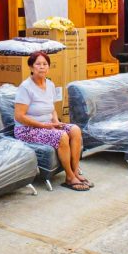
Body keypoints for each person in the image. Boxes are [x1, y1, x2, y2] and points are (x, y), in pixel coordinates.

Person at [13, 51, 92, 192]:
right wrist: (44, 126)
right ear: (31, 67)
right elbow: (19, 116)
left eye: (45, 64)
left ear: (48, 67)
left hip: (48, 125)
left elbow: (52, 109)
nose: (42, 67)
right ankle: (69, 177)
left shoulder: (50, 84)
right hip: (27, 129)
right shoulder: (25, 87)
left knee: (75, 130)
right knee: (62, 136)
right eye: (38, 64)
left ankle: (75, 172)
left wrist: (56, 122)